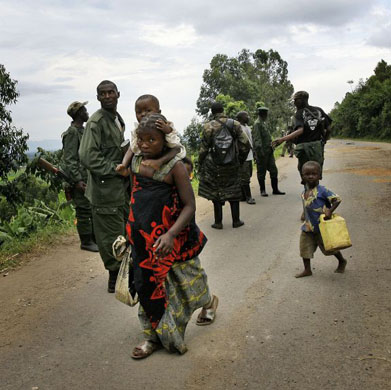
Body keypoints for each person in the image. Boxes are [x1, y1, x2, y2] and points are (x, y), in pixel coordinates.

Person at [127, 113, 218, 359]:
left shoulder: (175, 167)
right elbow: (135, 198)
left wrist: (170, 234)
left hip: (172, 239)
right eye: (141, 139)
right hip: (143, 241)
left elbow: (189, 206)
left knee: (188, 278)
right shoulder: (135, 162)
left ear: (164, 141)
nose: (145, 144)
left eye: (152, 140)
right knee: (147, 286)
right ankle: (152, 336)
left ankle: (208, 301)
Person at [79, 80, 129, 293]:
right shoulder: (96, 122)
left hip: (119, 190)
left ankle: (124, 271)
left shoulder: (116, 119)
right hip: (104, 191)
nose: (108, 96)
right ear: (98, 97)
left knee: (121, 231)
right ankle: (114, 276)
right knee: (109, 235)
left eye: (111, 92)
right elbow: (86, 156)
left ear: (118, 94)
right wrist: (114, 169)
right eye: (103, 93)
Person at [198, 102, 250, 229]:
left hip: (214, 165)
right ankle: (236, 220)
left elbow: (203, 149)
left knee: (216, 191)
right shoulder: (235, 124)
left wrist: (200, 162)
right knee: (234, 189)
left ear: (212, 112)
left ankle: (218, 222)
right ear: (223, 110)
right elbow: (246, 144)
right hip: (232, 163)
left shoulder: (208, 127)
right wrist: (240, 160)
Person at [296, 161, 347, 278]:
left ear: (320, 175)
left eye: (314, 174)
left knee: (329, 248)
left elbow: (337, 199)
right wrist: (304, 214)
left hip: (322, 227)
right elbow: (308, 205)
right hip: (308, 227)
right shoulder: (304, 192)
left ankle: (342, 260)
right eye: (307, 174)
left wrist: (330, 210)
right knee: (304, 248)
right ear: (302, 176)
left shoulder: (323, 190)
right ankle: (307, 270)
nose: (310, 176)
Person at [60, 101, 98, 252]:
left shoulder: (83, 131)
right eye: (84, 110)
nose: (87, 112)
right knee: (83, 210)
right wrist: (77, 180)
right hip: (79, 179)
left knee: (92, 208)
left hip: (88, 177)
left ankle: (94, 239)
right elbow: (70, 159)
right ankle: (86, 241)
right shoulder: (72, 133)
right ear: (78, 113)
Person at [116, 94, 185, 174]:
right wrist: (124, 164)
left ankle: (160, 161)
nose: (143, 114)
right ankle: (124, 166)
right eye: (139, 112)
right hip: (145, 159)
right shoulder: (137, 129)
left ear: (159, 112)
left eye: (148, 111)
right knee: (131, 148)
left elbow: (176, 146)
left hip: (166, 155)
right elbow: (132, 148)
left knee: (176, 149)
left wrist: (167, 130)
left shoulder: (162, 125)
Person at [272, 91, 332, 181]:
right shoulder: (318, 110)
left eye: (296, 100)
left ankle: (307, 190)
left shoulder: (299, 113)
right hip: (317, 147)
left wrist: (282, 139)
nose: (294, 103)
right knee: (316, 172)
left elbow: (300, 130)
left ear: (302, 100)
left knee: (305, 172)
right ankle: (315, 191)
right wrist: (324, 140)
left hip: (304, 148)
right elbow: (329, 128)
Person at [252, 106, 285, 197]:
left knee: (274, 170)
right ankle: (262, 190)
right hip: (262, 152)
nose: (267, 115)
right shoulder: (257, 124)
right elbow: (257, 140)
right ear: (263, 114)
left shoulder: (263, 123)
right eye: (266, 113)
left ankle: (275, 189)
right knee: (261, 172)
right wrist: (260, 152)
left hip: (269, 151)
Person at [236, 111, 256, 204]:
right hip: (243, 156)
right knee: (245, 177)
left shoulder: (247, 127)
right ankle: (248, 197)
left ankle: (243, 196)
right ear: (241, 118)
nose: (248, 117)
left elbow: (250, 141)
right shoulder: (238, 128)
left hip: (250, 155)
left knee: (248, 175)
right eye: (246, 116)